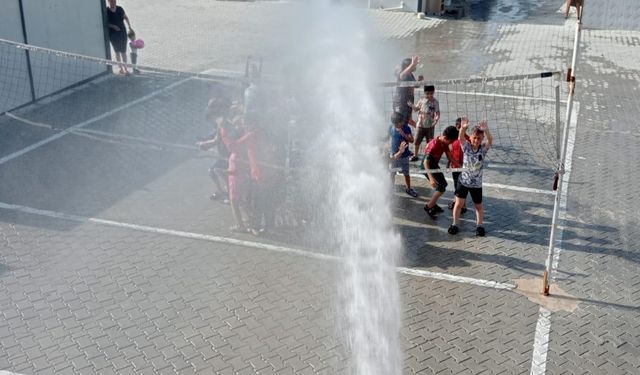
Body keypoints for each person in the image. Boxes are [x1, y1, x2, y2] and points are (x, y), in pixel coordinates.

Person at [448, 117, 493, 236]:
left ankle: (479, 226)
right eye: (474, 138)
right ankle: (454, 224)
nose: (476, 140)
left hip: (476, 184)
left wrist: (486, 130)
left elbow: (490, 141)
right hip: (463, 182)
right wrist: (463, 128)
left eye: (479, 138)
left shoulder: (483, 149)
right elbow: (460, 137)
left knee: (478, 206)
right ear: (471, 138)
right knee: (458, 205)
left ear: (482, 138)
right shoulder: (466, 147)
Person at [196, 97, 232, 202]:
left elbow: (216, 139)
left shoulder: (224, 123)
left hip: (227, 154)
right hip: (223, 154)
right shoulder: (219, 122)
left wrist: (204, 144)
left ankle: (231, 194)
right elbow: (215, 134)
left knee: (221, 172)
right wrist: (205, 140)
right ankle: (221, 191)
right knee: (213, 171)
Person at [423, 125, 459, 219]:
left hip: (434, 165)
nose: (451, 143)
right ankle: (428, 207)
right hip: (427, 167)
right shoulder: (434, 145)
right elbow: (425, 162)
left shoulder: (444, 142)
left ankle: (433, 204)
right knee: (441, 186)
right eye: (451, 141)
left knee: (442, 185)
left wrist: (459, 165)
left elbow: (449, 156)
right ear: (446, 138)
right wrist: (431, 178)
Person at [389, 112, 419, 198]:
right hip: (394, 154)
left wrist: (403, 134)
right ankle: (391, 189)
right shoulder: (391, 127)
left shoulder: (406, 128)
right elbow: (389, 137)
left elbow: (412, 140)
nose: (398, 125)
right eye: (395, 124)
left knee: (406, 173)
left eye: (399, 123)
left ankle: (408, 188)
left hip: (404, 156)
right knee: (392, 173)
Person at [410, 85, 440, 162]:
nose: (429, 95)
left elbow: (437, 112)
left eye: (431, 93)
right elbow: (416, 109)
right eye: (427, 93)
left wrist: (436, 118)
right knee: (417, 141)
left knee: (429, 142)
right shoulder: (421, 100)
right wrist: (411, 106)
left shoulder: (435, 102)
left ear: (433, 92)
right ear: (424, 93)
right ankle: (415, 155)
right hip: (420, 125)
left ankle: (428, 156)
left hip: (430, 126)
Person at [393, 56, 422, 128]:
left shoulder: (410, 74)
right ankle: (420, 130)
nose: (416, 66)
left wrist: (419, 81)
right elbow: (402, 75)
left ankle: (420, 130)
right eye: (414, 65)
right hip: (401, 102)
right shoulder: (402, 74)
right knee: (400, 120)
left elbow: (415, 85)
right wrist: (412, 64)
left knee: (408, 120)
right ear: (407, 66)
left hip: (408, 101)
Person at [106, 0, 133, 75]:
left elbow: (125, 17)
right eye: (112, 2)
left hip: (122, 33)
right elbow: (106, 23)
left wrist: (129, 27)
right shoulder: (107, 11)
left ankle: (126, 69)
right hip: (113, 35)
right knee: (117, 52)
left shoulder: (120, 9)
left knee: (123, 51)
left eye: (114, 1)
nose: (113, 3)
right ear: (108, 2)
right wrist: (113, 26)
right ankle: (120, 69)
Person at [447, 117, 468, 214]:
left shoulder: (467, 139)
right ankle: (456, 201)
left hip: (464, 167)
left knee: (463, 186)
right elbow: (450, 152)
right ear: (456, 126)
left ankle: (463, 205)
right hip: (455, 167)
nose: (459, 129)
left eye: (462, 127)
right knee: (456, 184)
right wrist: (448, 163)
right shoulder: (453, 138)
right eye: (458, 126)